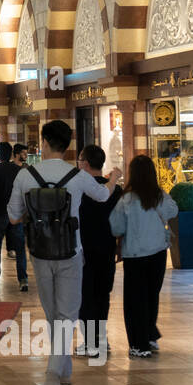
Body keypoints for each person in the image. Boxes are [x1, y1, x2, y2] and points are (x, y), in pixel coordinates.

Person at [8, 120, 119, 385]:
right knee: (68, 312)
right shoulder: (77, 175)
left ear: (44, 142)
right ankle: (54, 374)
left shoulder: (25, 175)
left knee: (53, 311)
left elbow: (12, 216)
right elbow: (103, 195)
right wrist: (114, 177)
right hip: (71, 251)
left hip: (39, 252)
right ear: (68, 145)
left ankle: (64, 370)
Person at [108, 155, 178, 358]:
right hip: (157, 254)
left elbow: (116, 227)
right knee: (151, 296)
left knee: (134, 300)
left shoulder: (127, 199)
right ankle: (149, 336)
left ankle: (137, 344)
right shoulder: (159, 196)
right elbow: (173, 210)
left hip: (135, 256)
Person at [76, 144, 121, 357]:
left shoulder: (79, 187)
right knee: (103, 295)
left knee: (85, 296)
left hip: (83, 249)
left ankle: (90, 342)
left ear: (85, 163)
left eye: (79, 159)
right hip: (107, 248)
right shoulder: (116, 190)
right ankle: (100, 339)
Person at [0, 142, 28, 291]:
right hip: (16, 214)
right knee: (20, 247)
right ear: (10, 154)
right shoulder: (19, 170)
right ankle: (23, 279)